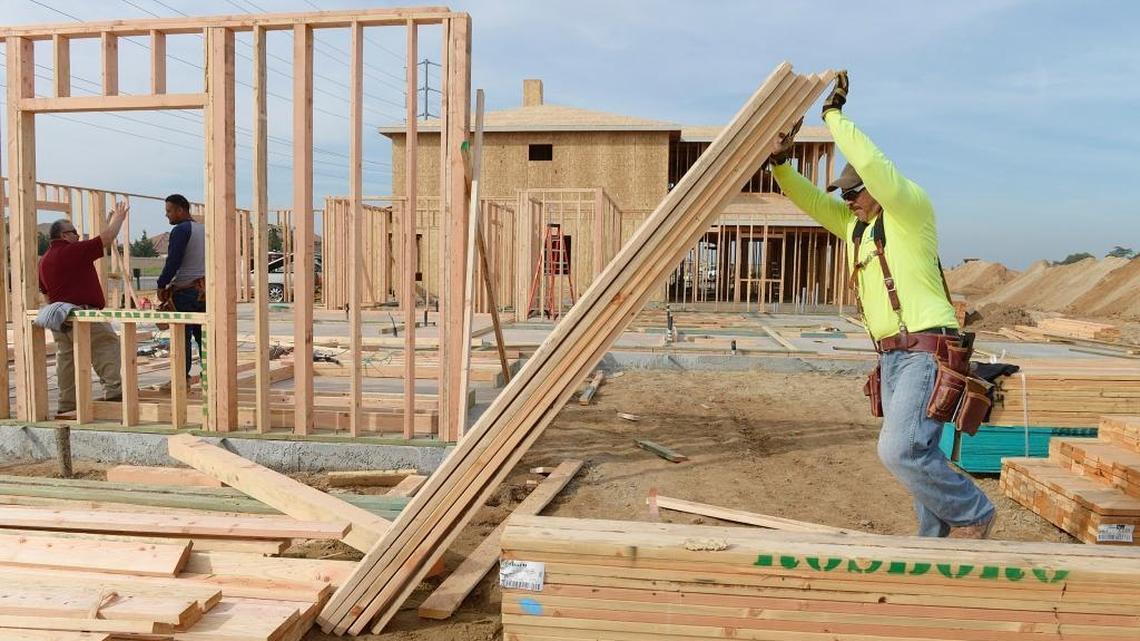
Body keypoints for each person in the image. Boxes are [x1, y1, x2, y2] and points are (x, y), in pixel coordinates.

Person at [768, 72, 996, 539]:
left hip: (927, 349)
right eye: (844, 195)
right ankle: (935, 544)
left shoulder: (910, 211)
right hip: (891, 356)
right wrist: (780, 164)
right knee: (920, 451)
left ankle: (974, 514)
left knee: (899, 451)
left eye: (854, 192)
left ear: (875, 187)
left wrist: (833, 116)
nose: (847, 200)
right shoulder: (857, 228)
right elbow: (808, 200)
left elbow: (872, 161)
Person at [37, 202, 130, 419]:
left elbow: (45, 293)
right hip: (83, 314)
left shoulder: (45, 260)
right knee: (106, 347)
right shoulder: (71, 251)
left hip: (60, 316)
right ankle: (115, 395)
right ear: (63, 235)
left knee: (66, 361)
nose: (78, 236)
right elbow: (105, 240)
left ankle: (66, 405)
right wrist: (118, 219)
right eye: (74, 233)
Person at [157, 194, 206, 376]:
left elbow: (173, 262)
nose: (167, 215)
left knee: (181, 337)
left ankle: (181, 380)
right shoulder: (203, 230)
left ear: (180, 210)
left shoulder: (181, 230)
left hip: (185, 292)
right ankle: (209, 377)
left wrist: (162, 285)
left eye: (169, 211)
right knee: (203, 336)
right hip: (202, 291)